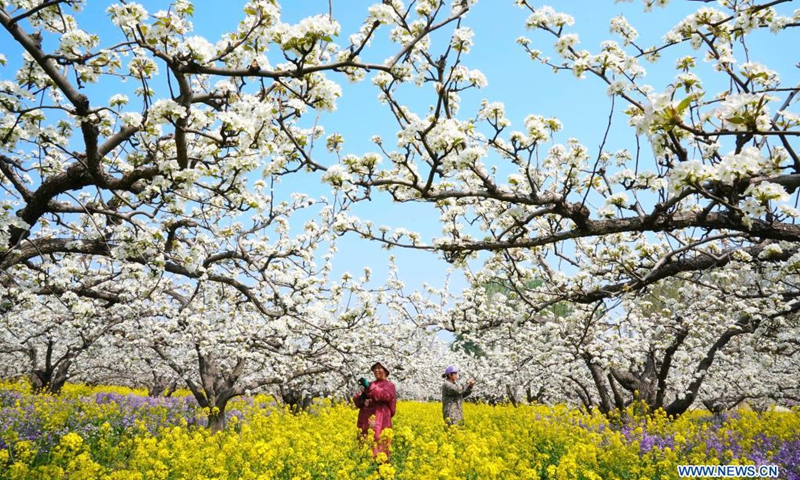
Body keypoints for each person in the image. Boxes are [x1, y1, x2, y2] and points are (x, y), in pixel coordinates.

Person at [353, 361, 397, 459]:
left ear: (386, 371)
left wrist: (369, 388)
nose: (376, 370)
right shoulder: (370, 384)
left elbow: (384, 395)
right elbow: (357, 401)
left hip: (380, 419)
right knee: (364, 444)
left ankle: (381, 470)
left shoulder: (389, 385)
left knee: (378, 442)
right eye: (375, 368)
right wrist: (362, 396)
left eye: (379, 368)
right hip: (365, 418)